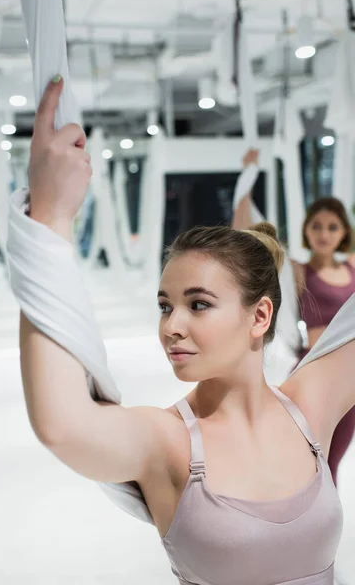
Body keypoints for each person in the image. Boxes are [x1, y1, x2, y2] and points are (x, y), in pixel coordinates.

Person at [18, 78, 354, 584]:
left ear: (258, 317)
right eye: (164, 306)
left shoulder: (310, 409)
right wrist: (49, 217)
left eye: (198, 304)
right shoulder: (167, 442)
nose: (171, 327)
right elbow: (61, 425)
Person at [233, 152, 355, 488]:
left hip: (350, 379)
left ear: (344, 231)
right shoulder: (299, 271)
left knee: (332, 463)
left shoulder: (353, 269)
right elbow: (244, 235)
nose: (324, 233)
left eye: (332, 226)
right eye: (316, 226)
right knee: (303, 456)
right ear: (306, 230)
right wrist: (247, 177)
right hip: (311, 370)